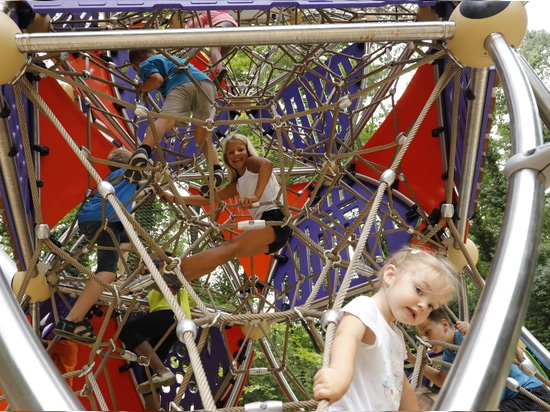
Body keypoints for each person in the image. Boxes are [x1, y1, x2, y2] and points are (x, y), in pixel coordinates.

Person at [312, 247, 459, 411]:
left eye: (431, 305)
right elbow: (347, 336)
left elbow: (402, 386)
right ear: (390, 276)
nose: (423, 305)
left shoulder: (396, 335)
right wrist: (339, 373)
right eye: (419, 290)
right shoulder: (366, 308)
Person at [159, 133, 291, 281]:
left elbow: (267, 164)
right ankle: (178, 281)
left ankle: (167, 268)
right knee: (222, 255)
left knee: (229, 247)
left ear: (248, 151)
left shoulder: (251, 164)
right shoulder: (237, 184)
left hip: (276, 218)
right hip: (272, 232)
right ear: (227, 158)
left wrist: (256, 196)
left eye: (240, 149)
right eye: (231, 152)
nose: (236, 154)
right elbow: (208, 199)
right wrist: (176, 199)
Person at [53, 147, 140, 344]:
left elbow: (132, 193)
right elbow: (148, 172)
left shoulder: (116, 179)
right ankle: (71, 321)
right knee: (107, 272)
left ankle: (81, 320)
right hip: (105, 219)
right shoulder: (129, 173)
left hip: (94, 219)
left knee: (129, 241)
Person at [125, 49, 223, 197]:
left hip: (181, 86)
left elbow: (156, 79)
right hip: (206, 85)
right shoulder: (170, 58)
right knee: (202, 134)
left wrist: (142, 87)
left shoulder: (146, 64)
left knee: (165, 120)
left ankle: (143, 151)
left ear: (134, 66)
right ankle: (216, 169)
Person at [414, 309, 550, 411]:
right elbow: (444, 381)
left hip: (530, 394)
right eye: (423, 336)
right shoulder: (450, 352)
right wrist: (413, 359)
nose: (426, 340)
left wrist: (474, 332)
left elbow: (512, 351)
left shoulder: (468, 337)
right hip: (509, 401)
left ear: (444, 325)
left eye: (427, 332)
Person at [119, 257, 191, 409]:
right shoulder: (166, 285)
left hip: (169, 315)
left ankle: (162, 370)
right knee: (149, 375)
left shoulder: (169, 279)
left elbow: (149, 282)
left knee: (126, 331)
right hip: (178, 325)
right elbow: (192, 302)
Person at [186, 10, 238, 81]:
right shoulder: (223, 13)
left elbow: (197, 23)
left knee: (215, 49)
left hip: (222, 25)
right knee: (215, 56)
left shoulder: (208, 12)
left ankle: (218, 69)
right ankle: (210, 73)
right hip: (234, 32)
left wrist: (190, 24)